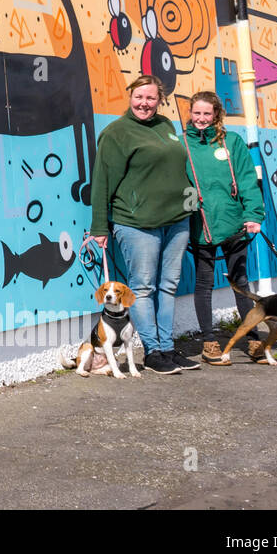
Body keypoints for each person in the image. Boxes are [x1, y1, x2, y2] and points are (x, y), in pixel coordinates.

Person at [87, 75, 197, 375]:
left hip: (176, 220)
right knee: (143, 288)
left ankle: (168, 348)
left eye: (150, 98)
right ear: (130, 96)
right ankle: (152, 352)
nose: (144, 103)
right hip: (137, 223)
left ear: (159, 100)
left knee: (169, 286)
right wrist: (99, 227)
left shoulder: (166, 126)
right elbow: (101, 183)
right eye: (139, 97)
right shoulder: (116, 134)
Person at [182, 90, 266, 363]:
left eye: (207, 113)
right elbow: (179, 185)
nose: (201, 119)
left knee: (240, 283)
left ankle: (253, 339)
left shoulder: (233, 142)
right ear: (190, 114)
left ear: (216, 114)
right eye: (197, 113)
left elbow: (246, 180)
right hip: (201, 226)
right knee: (204, 284)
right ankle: (209, 342)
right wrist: (185, 213)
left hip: (234, 224)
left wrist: (253, 214)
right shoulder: (181, 144)